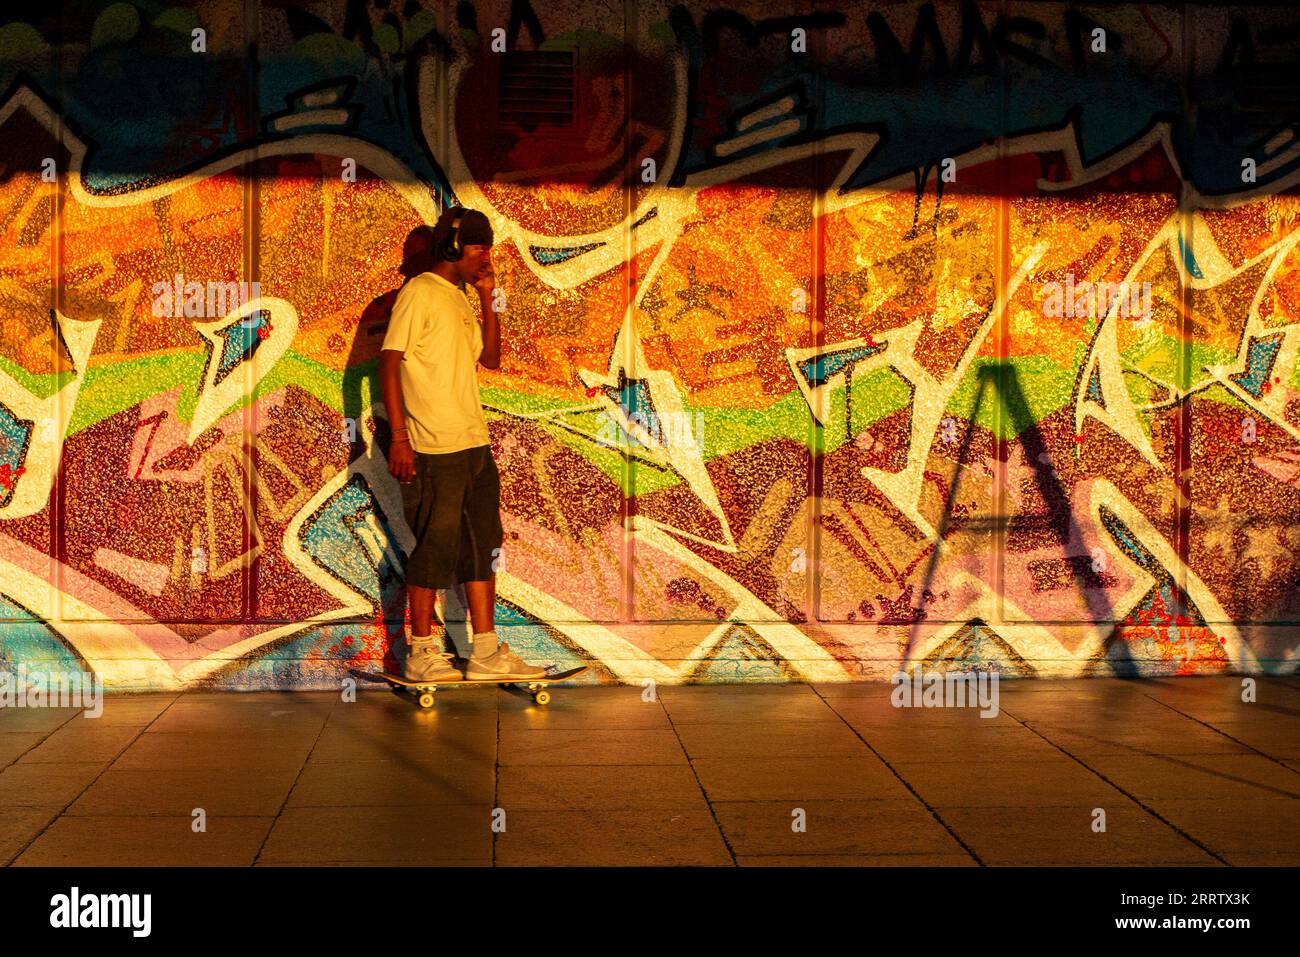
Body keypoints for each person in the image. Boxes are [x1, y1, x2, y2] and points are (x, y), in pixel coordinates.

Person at [379, 208, 546, 682]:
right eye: (479, 249)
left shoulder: (458, 298)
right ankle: (421, 652)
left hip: (473, 442)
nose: (486, 258)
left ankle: (486, 652)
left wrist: (488, 295)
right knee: (434, 548)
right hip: (434, 446)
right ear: (453, 247)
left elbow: (490, 358)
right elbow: (390, 364)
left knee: (480, 546)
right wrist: (400, 436)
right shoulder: (419, 294)